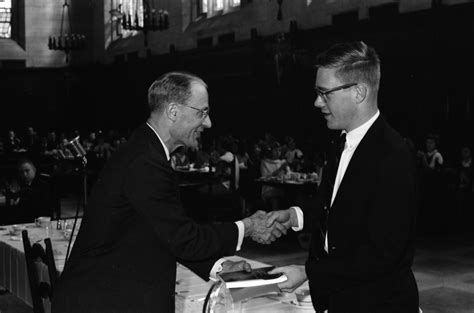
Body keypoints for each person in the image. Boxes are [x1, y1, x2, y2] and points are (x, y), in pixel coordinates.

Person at [52, 72, 287, 313]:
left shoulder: (145, 150)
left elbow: (160, 233)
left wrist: (218, 266)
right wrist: (247, 226)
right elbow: (183, 238)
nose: (208, 123)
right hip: (103, 301)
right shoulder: (145, 161)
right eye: (202, 112)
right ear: (173, 112)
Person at [266, 41, 419, 312]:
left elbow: (381, 254)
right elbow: (335, 206)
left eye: (325, 93)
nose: (317, 102)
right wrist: (294, 216)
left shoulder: (393, 155)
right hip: (341, 298)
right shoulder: (341, 141)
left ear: (358, 92)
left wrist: (309, 273)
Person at [4, 159, 54, 224]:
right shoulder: (19, 184)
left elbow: (46, 206)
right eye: (21, 172)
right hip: (22, 220)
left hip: (40, 219)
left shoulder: (43, 185)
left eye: (27, 171)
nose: (24, 174)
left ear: (34, 170)